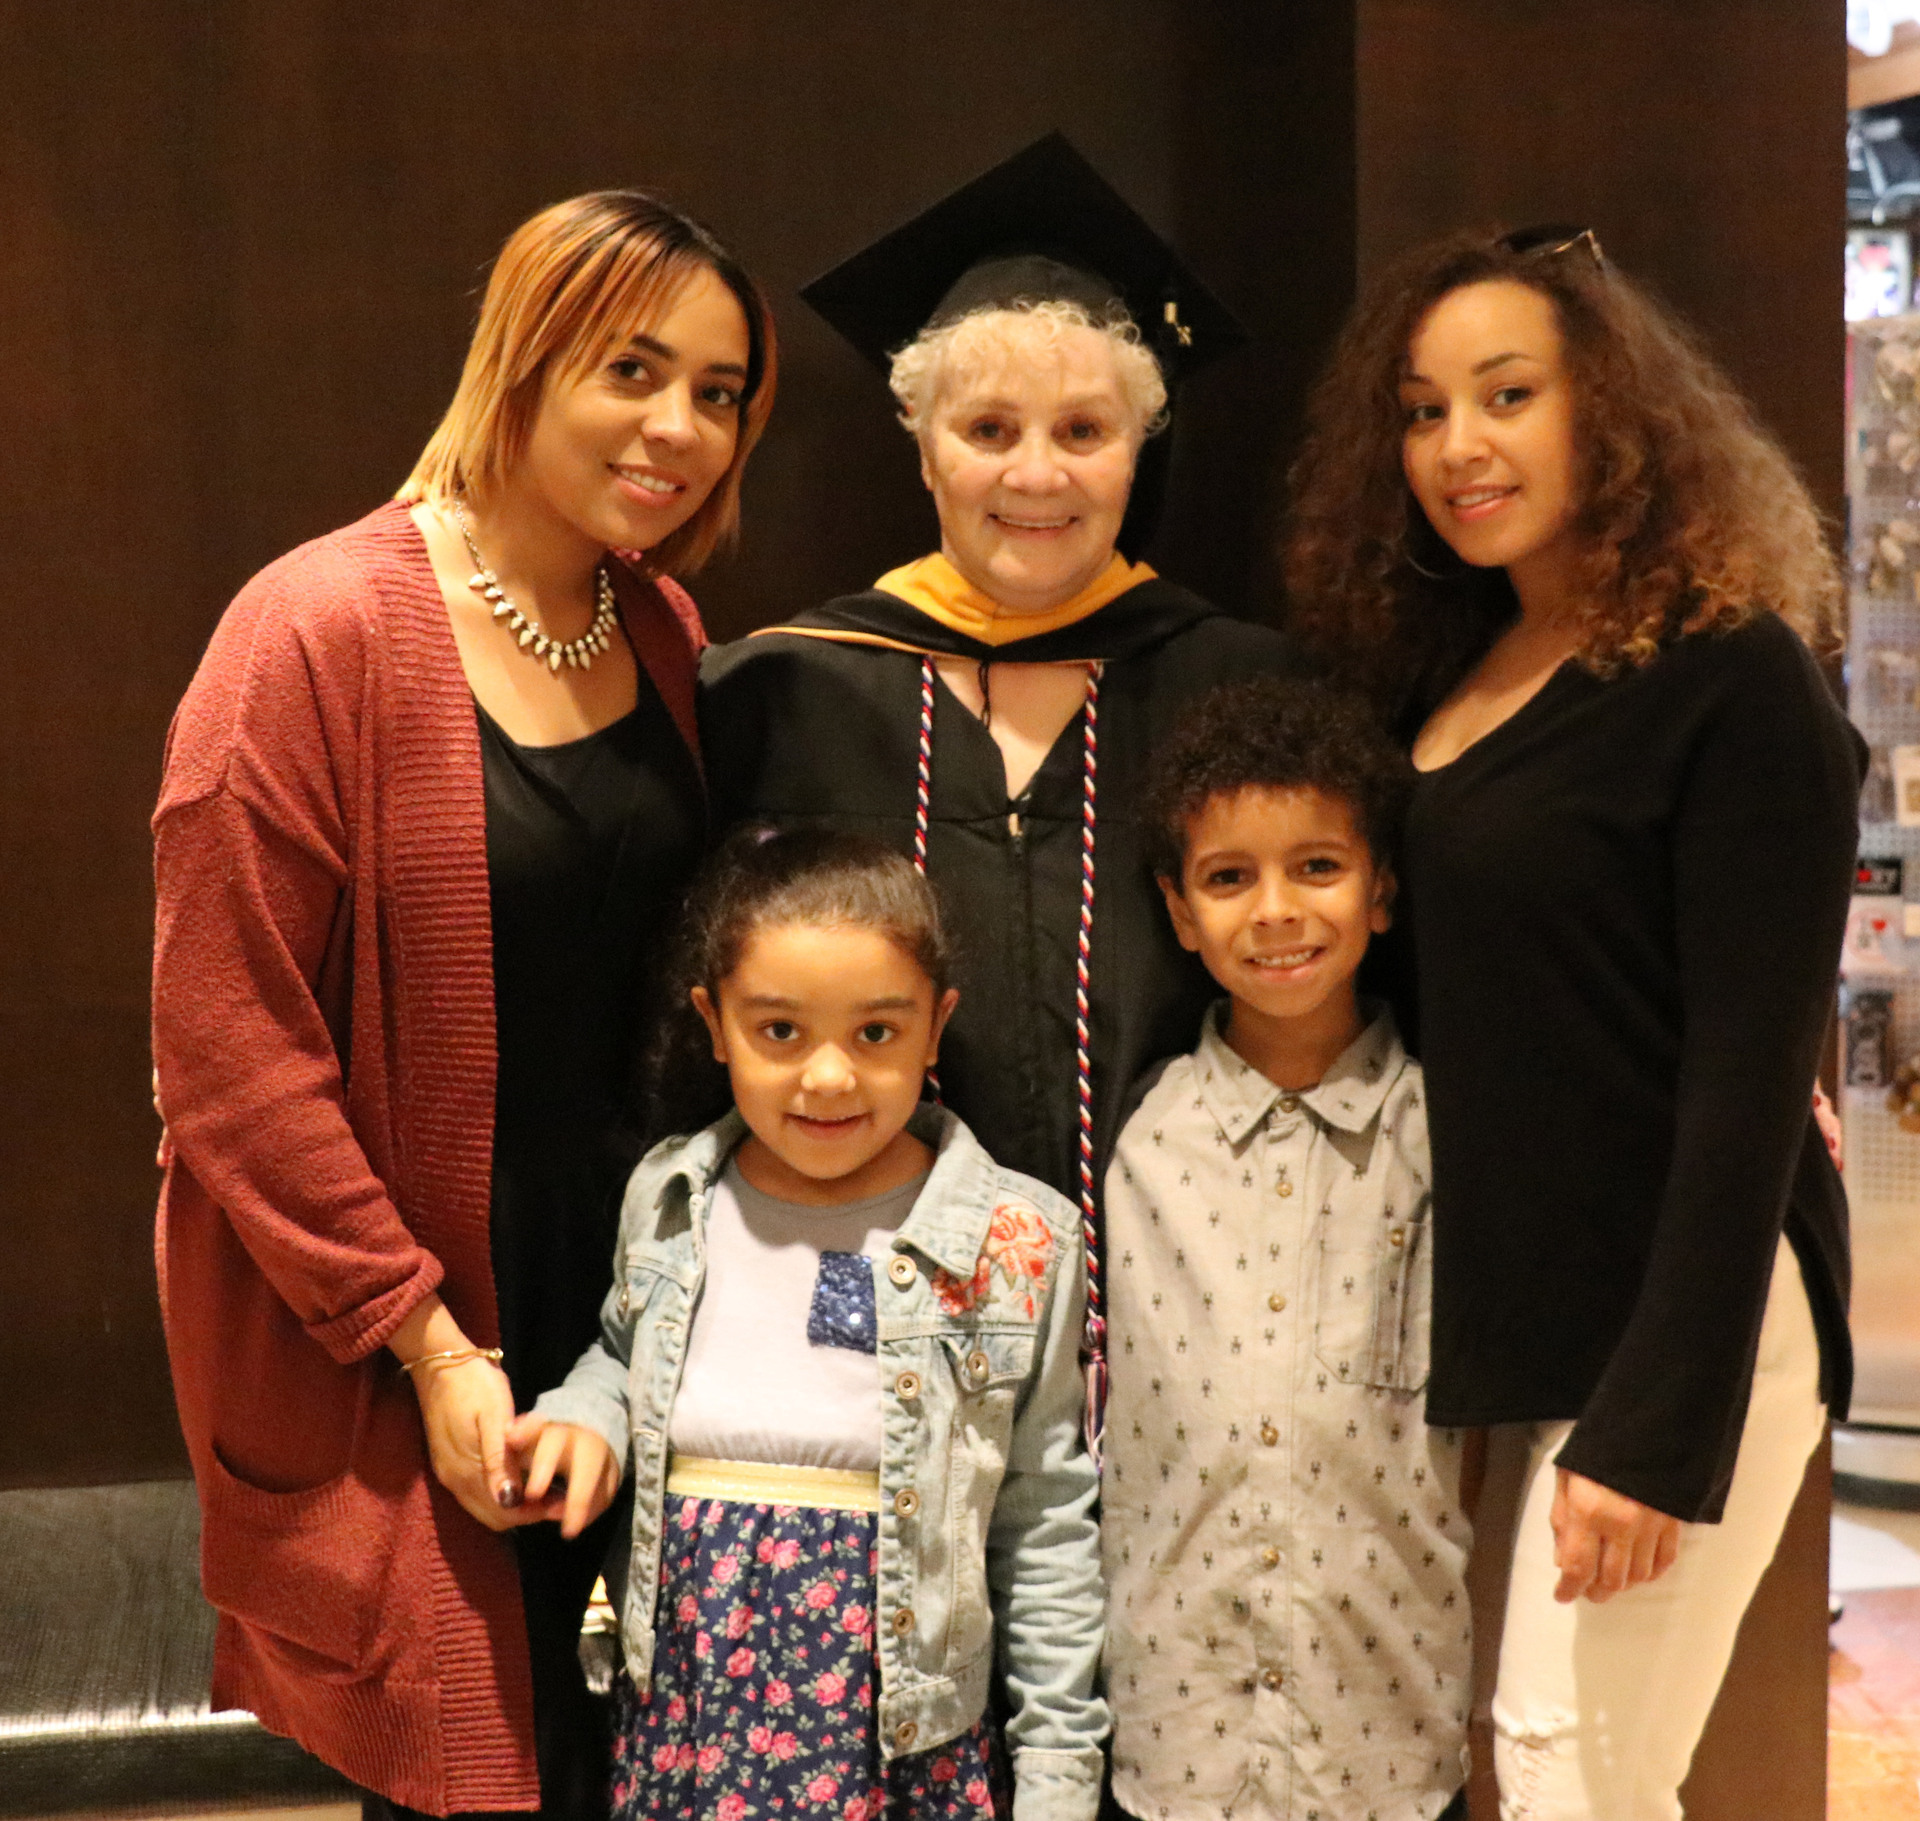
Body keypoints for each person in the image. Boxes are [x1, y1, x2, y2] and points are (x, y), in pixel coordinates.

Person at [150, 190, 776, 1818]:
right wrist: (426, 1348)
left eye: (719, 393)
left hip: (631, 1278)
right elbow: (228, 1058)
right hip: (422, 1296)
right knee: (473, 1762)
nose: (680, 428)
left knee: (639, 1756)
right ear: (525, 353)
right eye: (634, 370)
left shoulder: (656, 623)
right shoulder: (317, 630)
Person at [1285, 224, 1861, 1819]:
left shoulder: (1733, 674)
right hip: (1544, 1313)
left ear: (1609, 409)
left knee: (1566, 1771)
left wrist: (1656, 1427)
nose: (1458, 446)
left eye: (1506, 393)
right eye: (1419, 410)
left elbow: (1754, 1080)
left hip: (1700, 1320)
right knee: (1555, 1770)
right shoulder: (1457, 673)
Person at [701, 135, 1299, 1249]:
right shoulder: (783, 693)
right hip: (864, 1304)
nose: (1036, 474)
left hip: (1207, 1301)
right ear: (923, 452)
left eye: (1083, 430)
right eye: (987, 431)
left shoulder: (1245, 691)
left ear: (1138, 449)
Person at [508, 827, 1108, 1821]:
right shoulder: (670, 1197)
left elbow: (1043, 1522)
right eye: (780, 1032)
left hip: (899, 1739)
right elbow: (621, 1356)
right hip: (688, 1724)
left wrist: (1057, 1776)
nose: (828, 1079)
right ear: (715, 1022)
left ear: (935, 1025)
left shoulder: (1020, 1241)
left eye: (875, 1033)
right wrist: (587, 1416)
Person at [1101, 676, 1471, 1821]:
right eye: (1229, 877)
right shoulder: (1134, 1144)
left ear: (1382, 890)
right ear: (1178, 910)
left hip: (1391, 1747)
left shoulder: (1447, 1133)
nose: (1275, 911)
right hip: (1177, 1748)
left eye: (1316, 866)